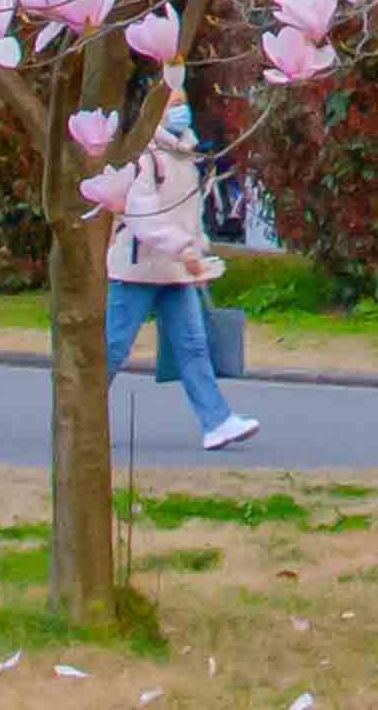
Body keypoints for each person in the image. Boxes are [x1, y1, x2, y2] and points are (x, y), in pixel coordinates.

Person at [106, 90, 262, 453]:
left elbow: (187, 215)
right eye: (173, 105)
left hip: (175, 271)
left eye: (183, 103)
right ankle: (80, 415)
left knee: (194, 346)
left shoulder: (185, 156)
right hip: (137, 272)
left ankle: (217, 421)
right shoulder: (144, 157)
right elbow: (142, 216)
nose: (182, 111)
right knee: (112, 347)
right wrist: (185, 248)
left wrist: (197, 249)